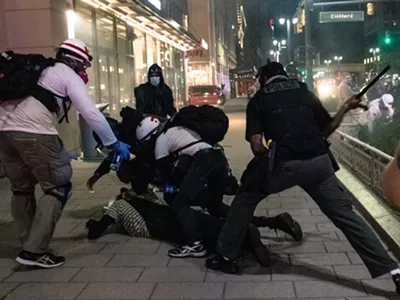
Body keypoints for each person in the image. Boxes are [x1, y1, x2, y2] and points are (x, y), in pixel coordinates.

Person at [205, 61, 400, 295]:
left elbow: (257, 145)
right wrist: (346, 107)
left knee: (246, 197)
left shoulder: (259, 99)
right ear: (285, 77)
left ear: (264, 79)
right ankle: (394, 272)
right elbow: (327, 129)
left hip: (284, 165)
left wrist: (269, 157)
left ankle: (226, 254)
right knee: (347, 217)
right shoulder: (304, 93)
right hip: (319, 164)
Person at [0, 39, 130, 269]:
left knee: (21, 189)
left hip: (5, 134)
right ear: (75, 60)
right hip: (35, 133)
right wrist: (113, 142)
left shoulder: (38, 71)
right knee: (58, 187)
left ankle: (27, 243)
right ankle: (34, 250)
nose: (84, 71)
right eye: (84, 65)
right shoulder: (65, 73)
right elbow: (90, 111)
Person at [136, 116, 303, 259]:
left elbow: (163, 170)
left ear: (150, 136)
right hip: (218, 158)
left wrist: (167, 186)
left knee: (180, 203)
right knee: (215, 207)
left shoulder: (161, 140)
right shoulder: (177, 128)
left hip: (204, 160)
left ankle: (195, 244)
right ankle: (272, 222)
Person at [86, 188, 301, 266]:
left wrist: (96, 221)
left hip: (161, 226)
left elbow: (97, 232)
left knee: (206, 238)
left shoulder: (120, 206)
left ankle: (246, 240)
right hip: (178, 213)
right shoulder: (148, 198)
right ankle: (272, 222)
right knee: (215, 223)